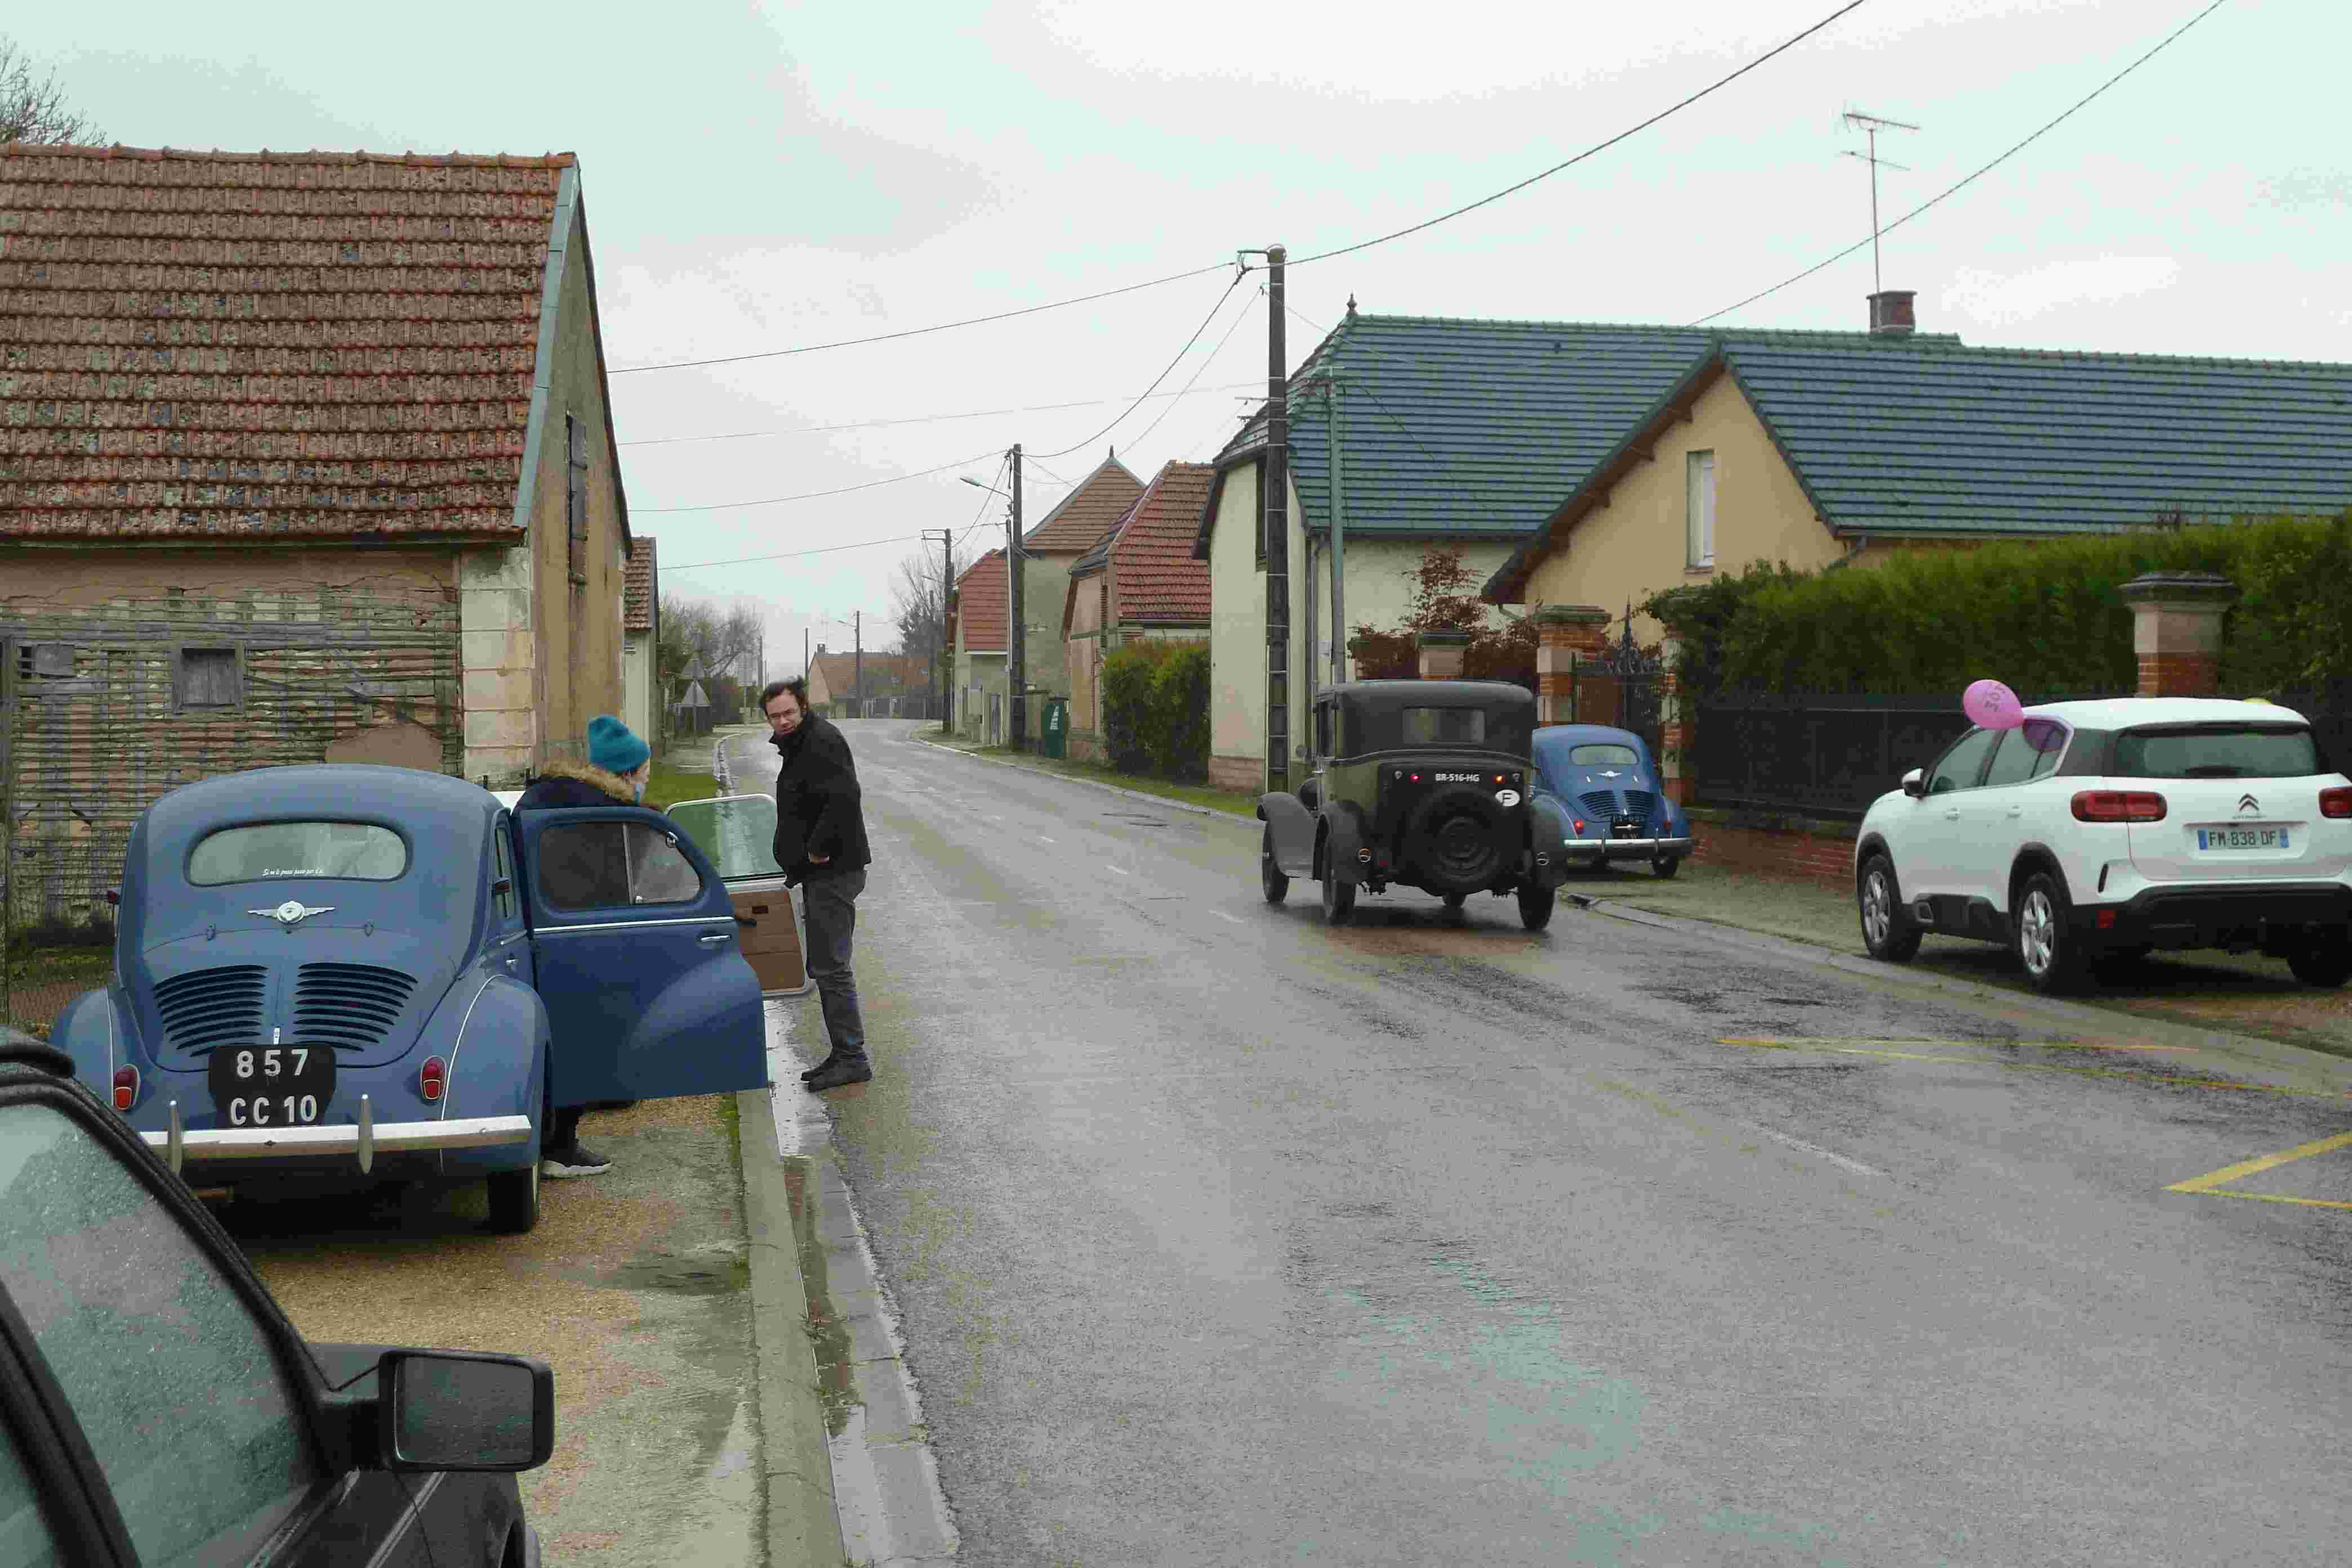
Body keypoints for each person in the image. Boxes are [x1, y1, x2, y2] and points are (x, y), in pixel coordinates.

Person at [515, 713, 652, 1177]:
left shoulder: (538, 797)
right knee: (582, 1038)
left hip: (531, 934)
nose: (645, 782)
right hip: (585, 939)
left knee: (544, 1043)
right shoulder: (609, 814)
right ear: (627, 773)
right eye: (644, 773)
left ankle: (538, 1141)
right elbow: (615, 887)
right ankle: (561, 1148)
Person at [763, 679, 874, 1091]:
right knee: (827, 967)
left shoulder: (822, 740)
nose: (783, 721)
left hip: (833, 871)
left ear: (804, 707)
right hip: (821, 874)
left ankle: (852, 1058)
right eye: (775, 716)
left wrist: (816, 849)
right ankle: (842, 1053)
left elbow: (844, 796)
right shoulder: (799, 744)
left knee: (832, 967)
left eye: (789, 712)